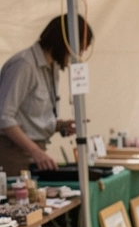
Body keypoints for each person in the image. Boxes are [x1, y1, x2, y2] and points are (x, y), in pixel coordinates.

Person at [0, 15, 93, 173]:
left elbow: (29, 116)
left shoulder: (52, 67)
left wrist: (59, 125)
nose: (75, 58)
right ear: (65, 43)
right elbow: (4, 118)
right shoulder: (24, 65)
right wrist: (35, 151)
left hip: (34, 150)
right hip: (14, 152)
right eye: (77, 51)